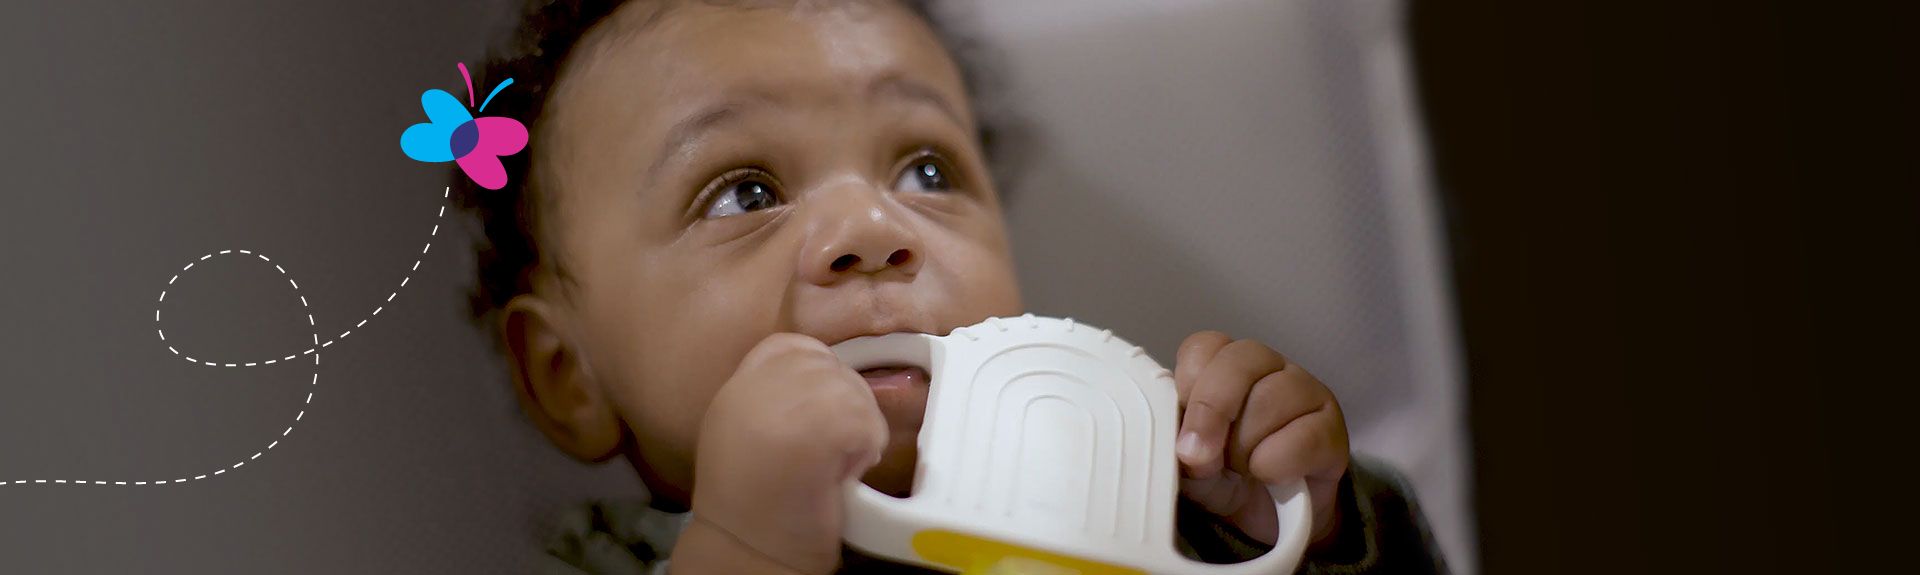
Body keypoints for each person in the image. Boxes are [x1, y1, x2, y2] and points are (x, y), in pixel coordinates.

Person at [450, 1, 1448, 573]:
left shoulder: (1130, 492)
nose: (874, 231)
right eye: (743, 191)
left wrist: (1289, 523)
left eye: (927, 171)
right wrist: (743, 545)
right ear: (569, 375)